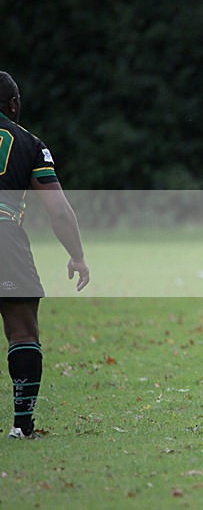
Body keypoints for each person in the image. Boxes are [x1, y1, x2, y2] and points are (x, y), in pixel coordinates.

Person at [0, 71, 90, 439]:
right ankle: (22, 426)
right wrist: (77, 255)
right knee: (22, 330)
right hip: (5, 238)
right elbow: (59, 211)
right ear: (13, 105)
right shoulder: (28, 143)